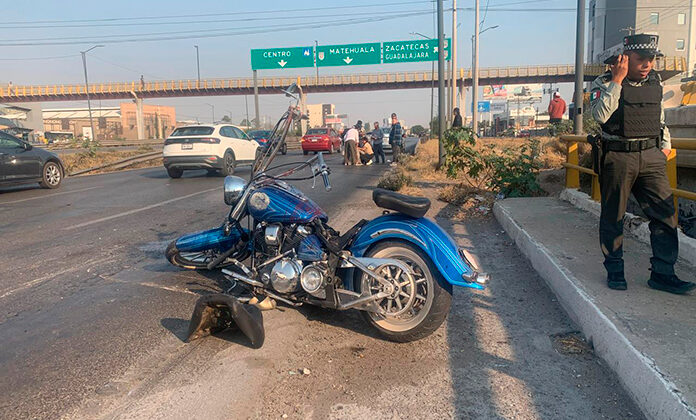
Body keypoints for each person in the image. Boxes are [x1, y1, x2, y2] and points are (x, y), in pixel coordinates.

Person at [590, 34, 694, 294]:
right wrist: (617, 81)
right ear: (625, 59)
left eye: (651, 59)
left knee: (666, 216)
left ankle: (663, 273)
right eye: (641, 59)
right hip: (619, 156)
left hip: (651, 156)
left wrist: (665, 146)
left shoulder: (655, 81)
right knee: (613, 216)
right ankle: (614, 270)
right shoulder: (604, 82)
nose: (647, 64)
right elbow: (599, 116)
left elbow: (659, 117)